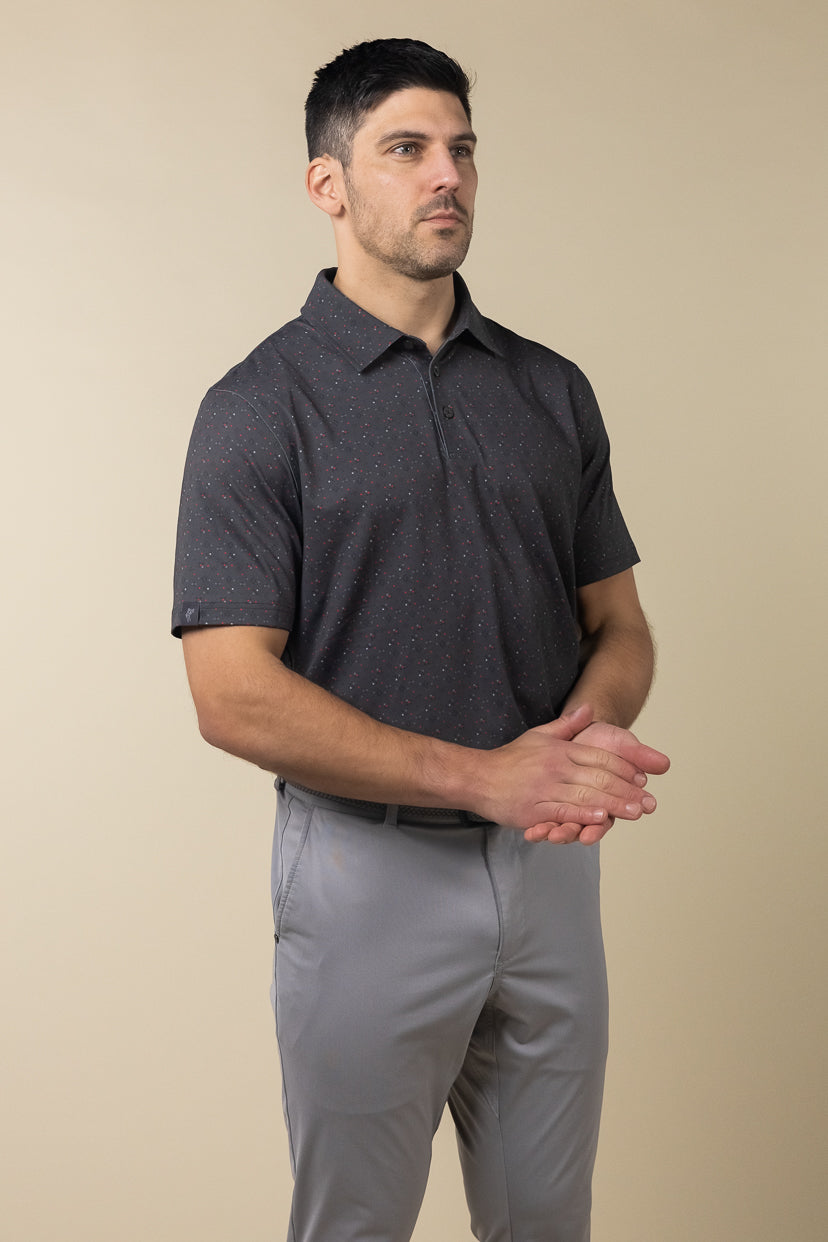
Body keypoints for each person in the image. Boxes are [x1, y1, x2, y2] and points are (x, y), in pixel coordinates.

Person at [172, 36, 669, 1242]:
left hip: (550, 874)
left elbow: (620, 626)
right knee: (355, 1228)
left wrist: (577, 747)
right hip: (364, 876)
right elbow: (231, 693)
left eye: (462, 149)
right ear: (329, 184)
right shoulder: (258, 409)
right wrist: (487, 776)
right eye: (406, 148)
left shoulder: (552, 390)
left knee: (548, 1222)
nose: (447, 174)